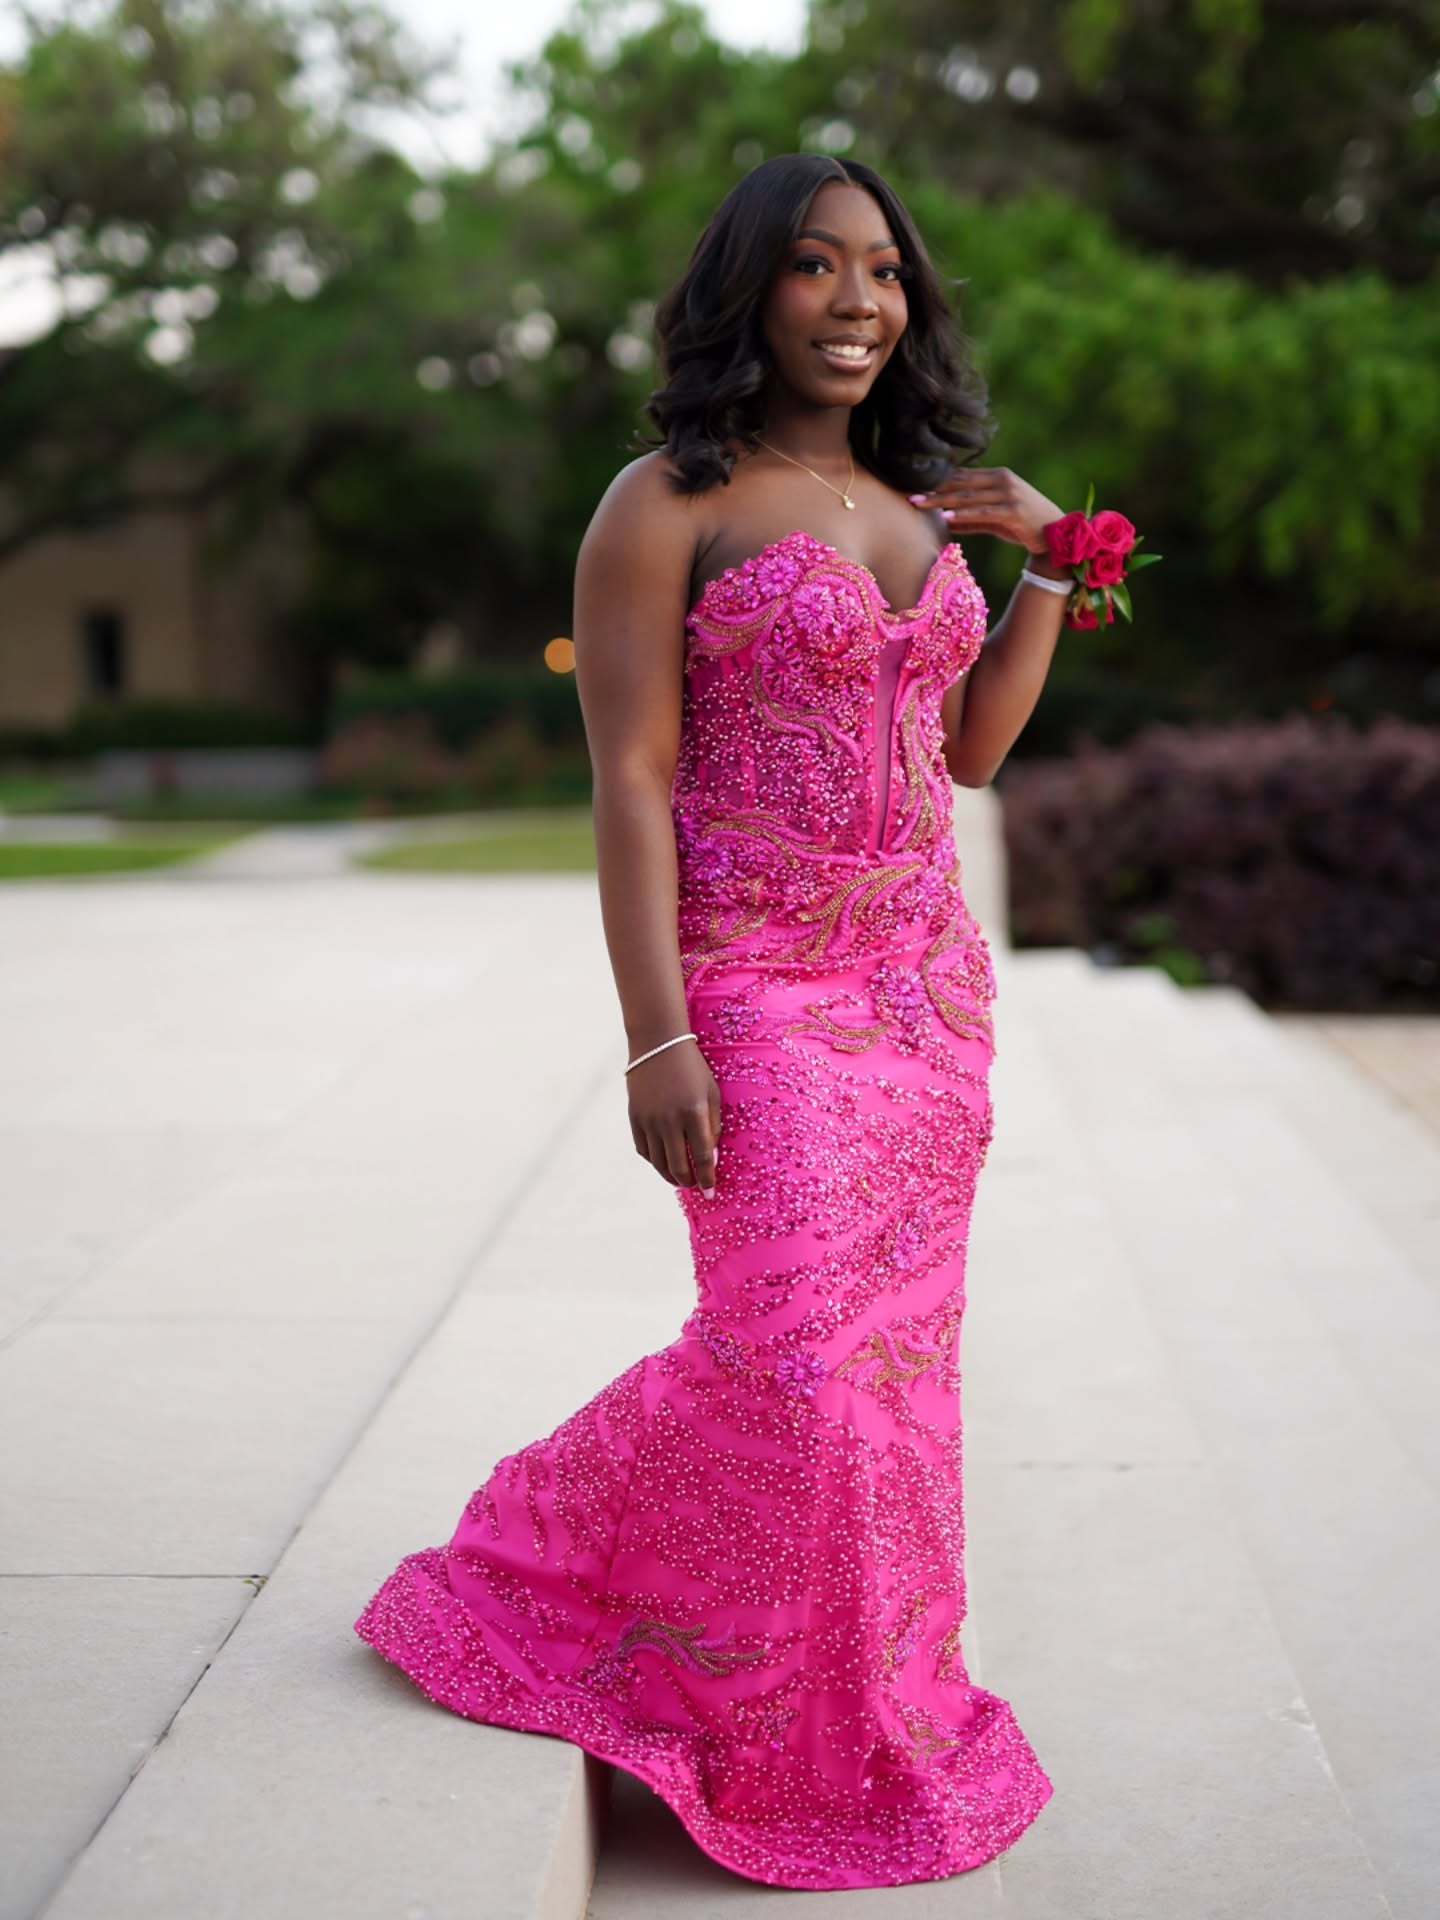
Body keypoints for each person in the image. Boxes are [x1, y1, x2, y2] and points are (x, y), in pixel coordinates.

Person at [355, 152, 1080, 1892]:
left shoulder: (923, 508)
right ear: (750, 287)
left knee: (892, 1378)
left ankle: (866, 1703)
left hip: (924, 1001)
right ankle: (540, 1565)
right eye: (818, 266)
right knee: (795, 1360)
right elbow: (630, 774)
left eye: (884, 272)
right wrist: (656, 1032)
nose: (857, 302)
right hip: (757, 986)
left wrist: (1054, 569)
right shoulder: (663, 504)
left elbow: (972, 752)